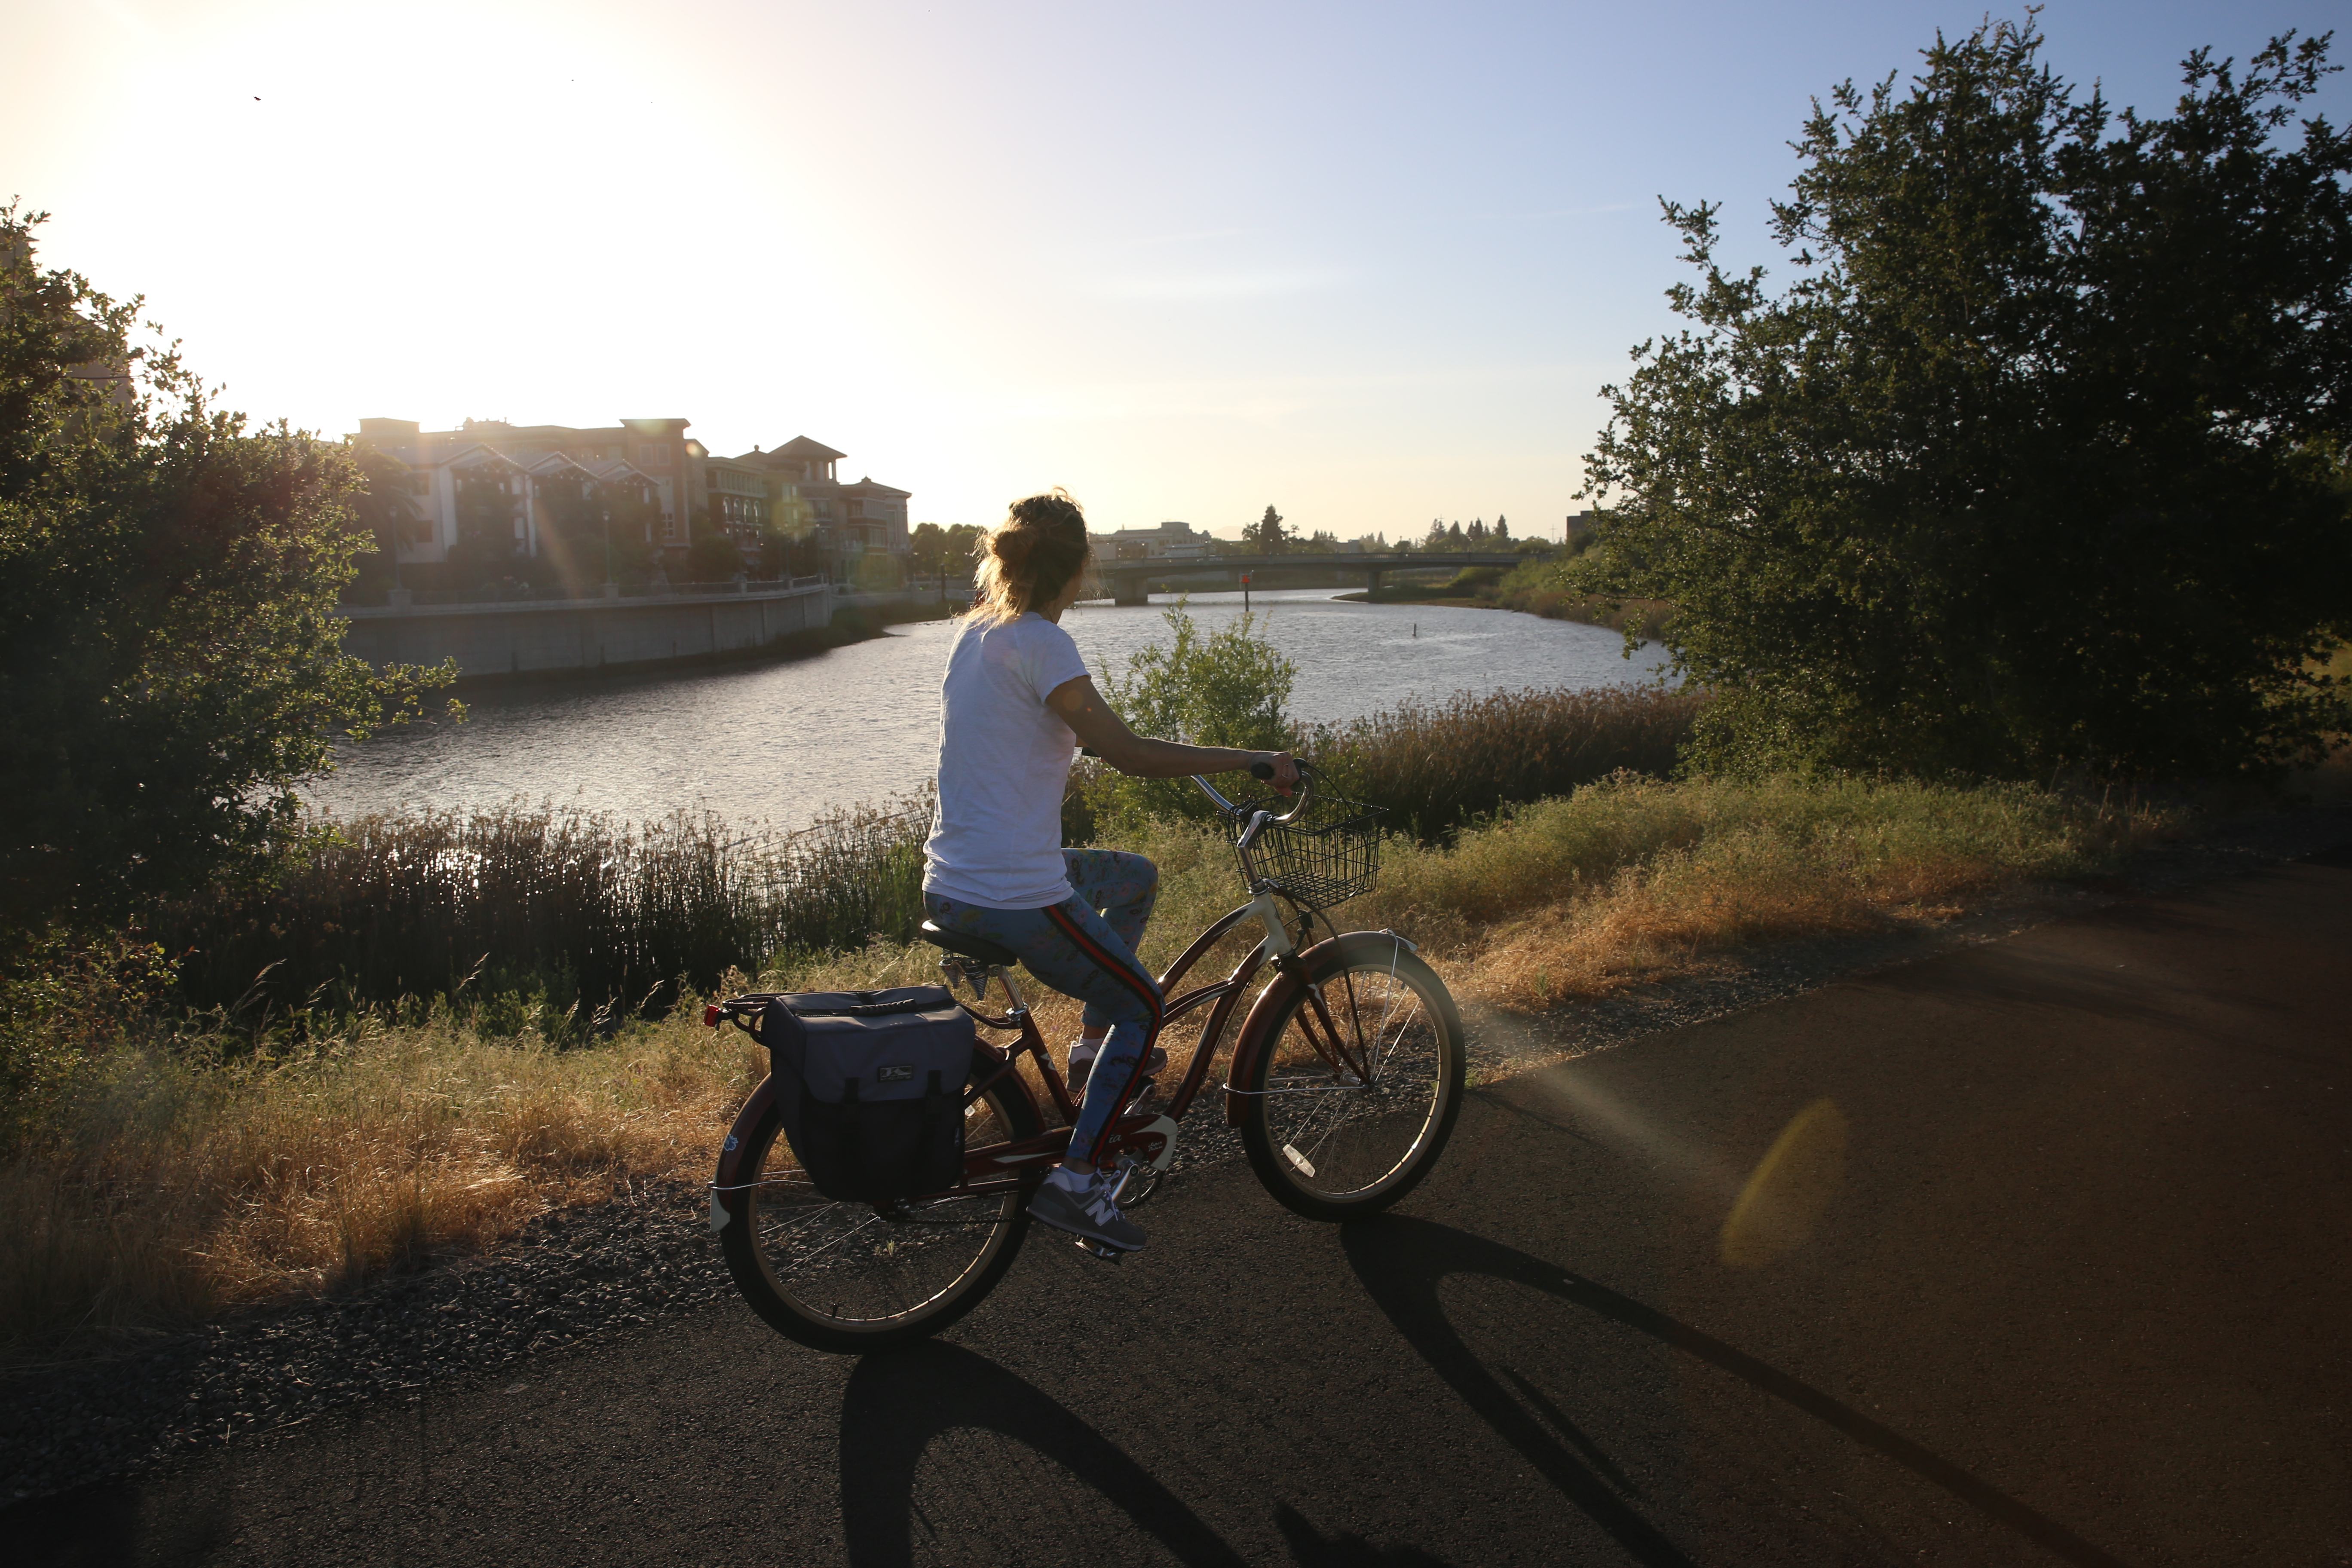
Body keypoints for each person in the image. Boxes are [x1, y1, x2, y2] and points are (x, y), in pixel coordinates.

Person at [922, 490, 1297, 1253]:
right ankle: (1080, 1179)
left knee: (1132, 878)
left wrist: (1084, 737)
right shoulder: (1045, 644)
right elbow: (1128, 752)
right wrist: (1251, 759)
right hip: (1012, 896)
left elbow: (1025, 730)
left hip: (952, 881)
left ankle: (1094, 1057)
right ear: (1083, 568)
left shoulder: (976, 635)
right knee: (1145, 1006)